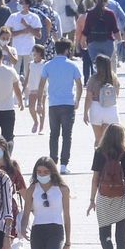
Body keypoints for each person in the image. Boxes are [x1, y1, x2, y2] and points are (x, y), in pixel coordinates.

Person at [41, 39, 84, 174]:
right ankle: (64, 165)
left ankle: (53, 162)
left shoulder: (48, 65)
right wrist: (77, 100)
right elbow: (79, 84)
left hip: (53, 104)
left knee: (53, 134)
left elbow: (41, 85)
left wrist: (39, 103)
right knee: (67, 135)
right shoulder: (72, 65)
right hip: (68, 104)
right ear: (67, 50)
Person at [84, 53, 122, 149]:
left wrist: (85, 112)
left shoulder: (93, 78)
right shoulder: (114, 78)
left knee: (98, 139)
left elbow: (89, 97)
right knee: (107, 139)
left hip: (96, 108)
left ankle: (98, 160)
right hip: (111, 109)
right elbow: (117, 93)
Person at [79, 0, 120, 80]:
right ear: (106, 2)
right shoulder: (110, 13)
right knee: (106, 65)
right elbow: (115, 30)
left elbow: (86, 30)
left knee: (96, 66)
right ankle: (107, 83)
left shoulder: (90, 13)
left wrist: (82, 41)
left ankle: (97, 85)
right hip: (107, 42)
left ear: (96, 2)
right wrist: (120, 42)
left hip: (93, 43)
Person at [24, 44, 47, 134]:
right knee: (31, 107)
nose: (33, 53)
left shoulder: (45, 63)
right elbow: (27, 77)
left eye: (35, 51)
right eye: (33, 51)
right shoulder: (30, 64)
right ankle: (36, 122)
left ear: (40, 53)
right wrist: (24, 88)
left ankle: (41, 127)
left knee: (41, 108)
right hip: (32, 88)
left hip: (43, 89)